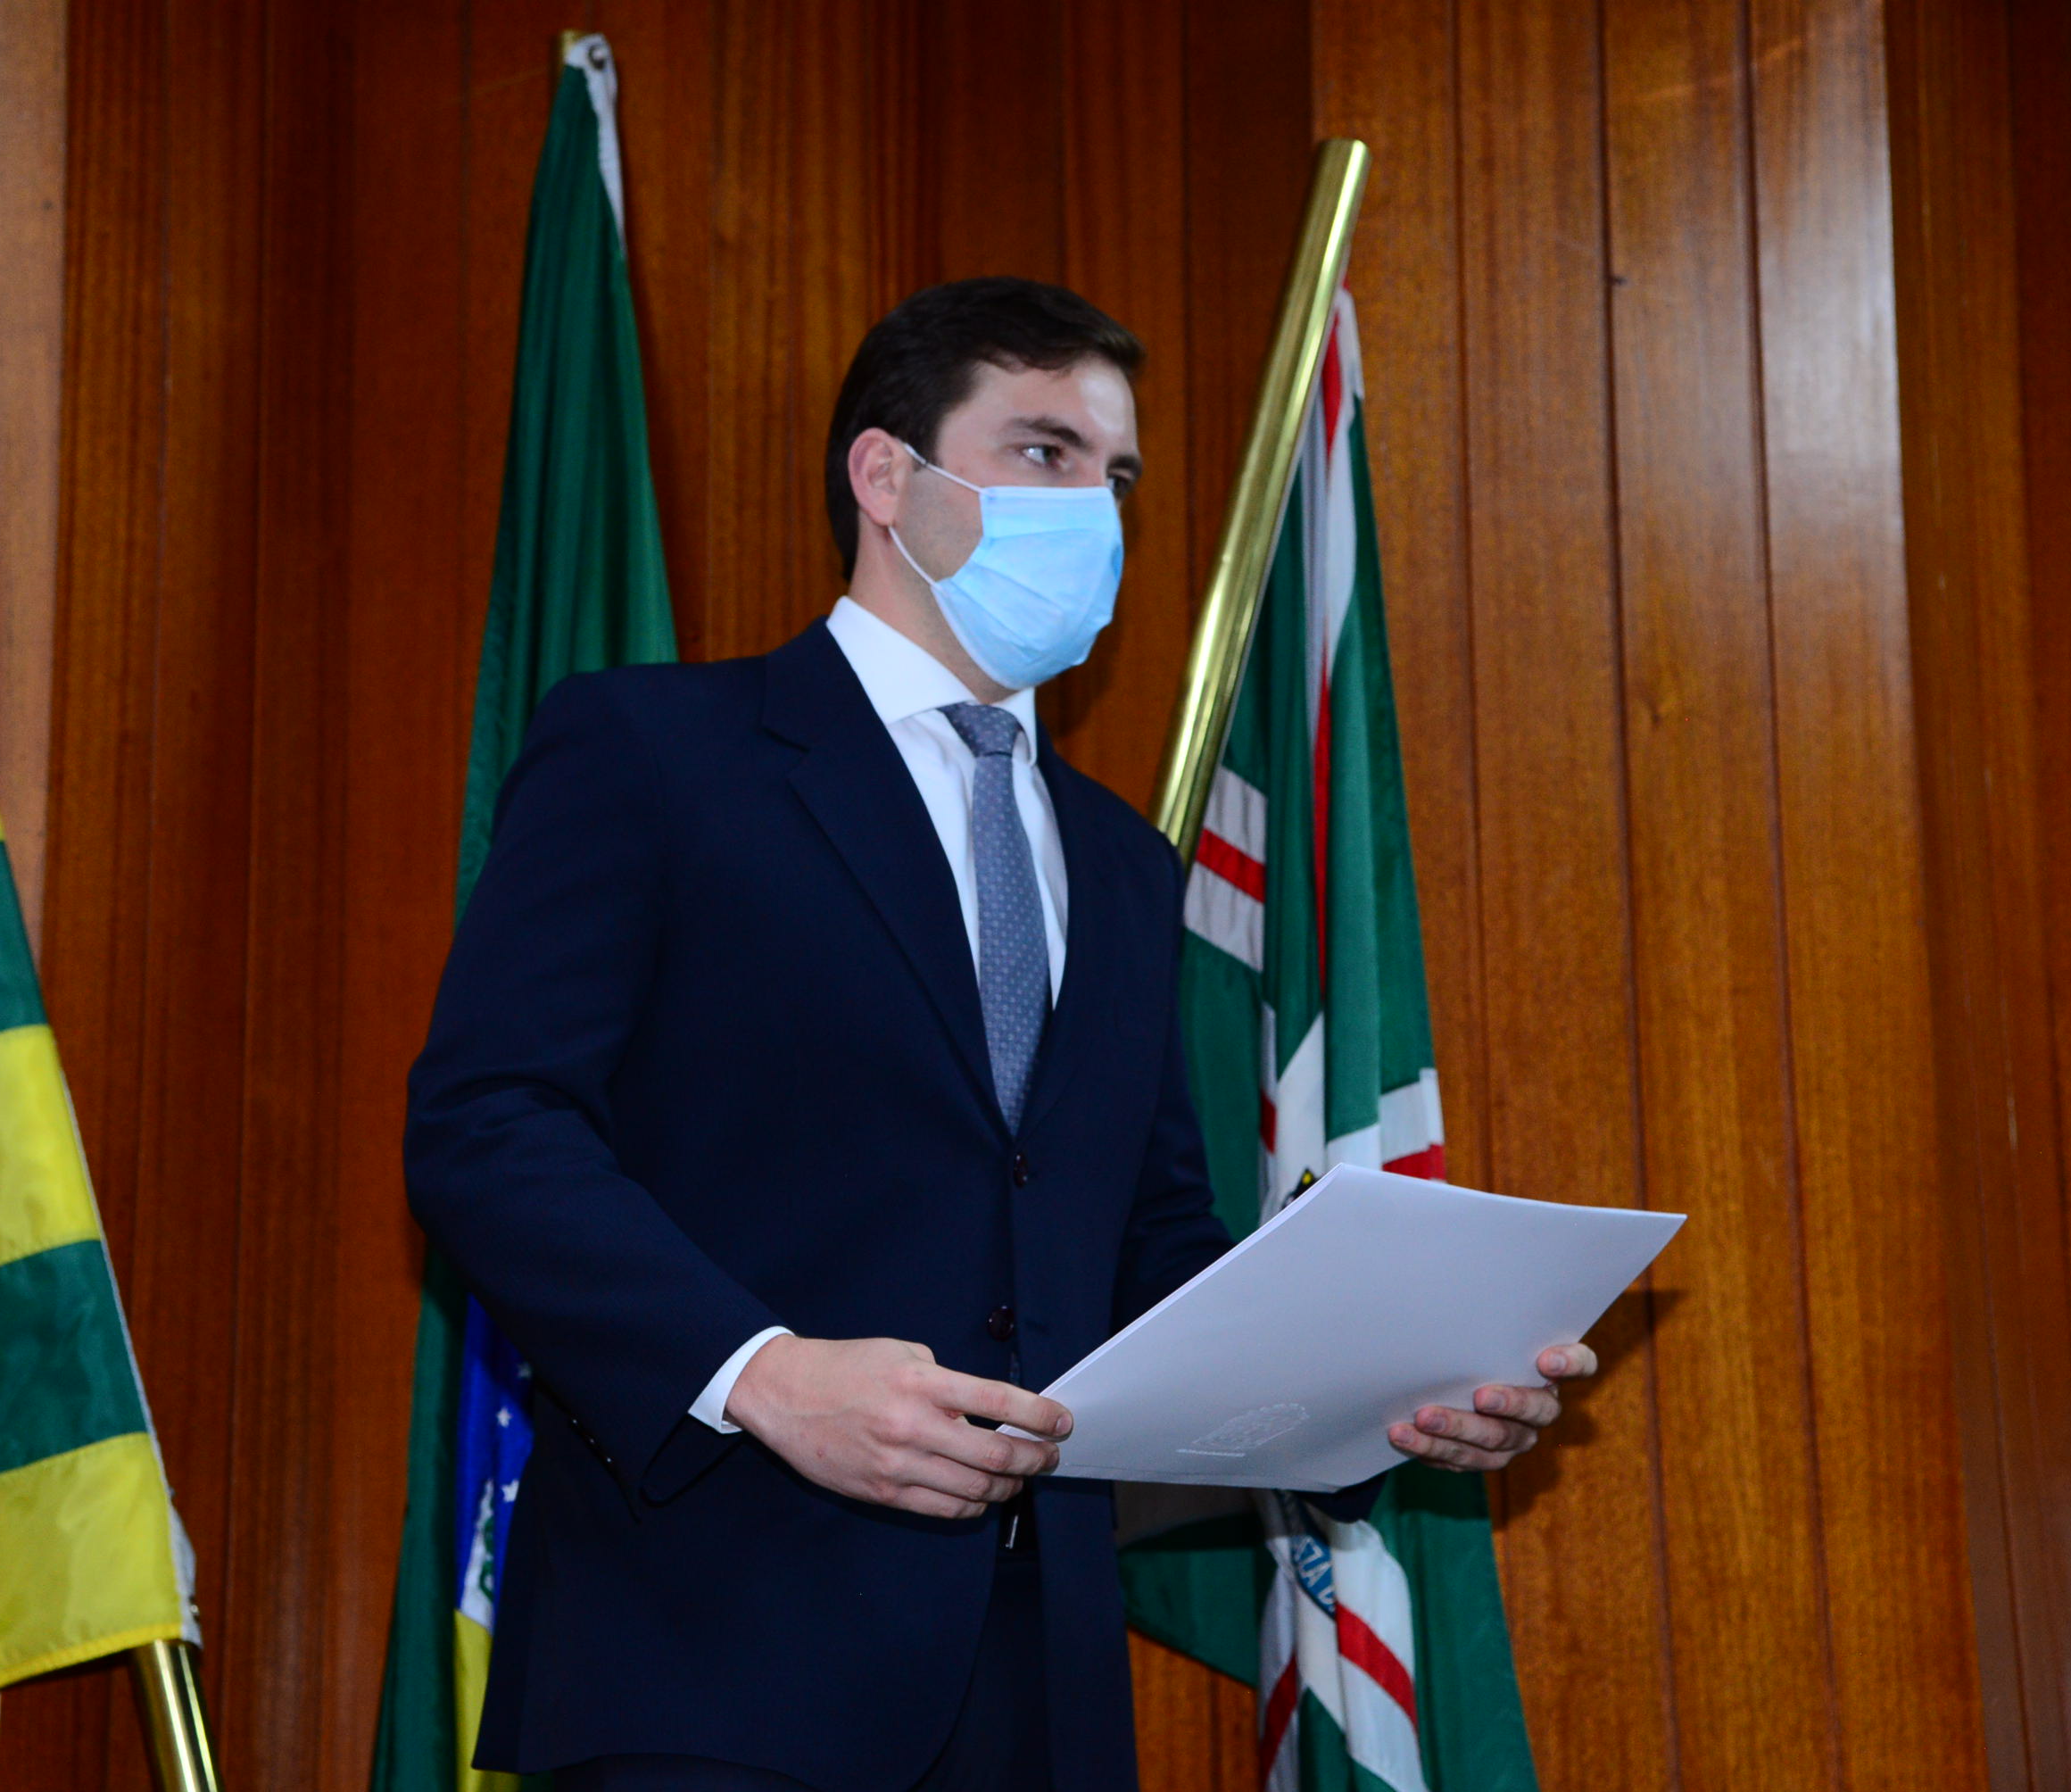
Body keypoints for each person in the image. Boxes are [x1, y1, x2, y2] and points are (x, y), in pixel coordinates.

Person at [404, 278, 1597, 1792]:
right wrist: (760, 1371)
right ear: (885, 476)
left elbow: (1148, 1239)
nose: (1092, 507)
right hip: (716, 1655)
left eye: (1117, 476)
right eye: (1043, 451)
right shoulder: (655, 751)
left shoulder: (1121, 863)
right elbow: (490, 1123)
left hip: (1042, 1687)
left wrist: (1386, 1391)